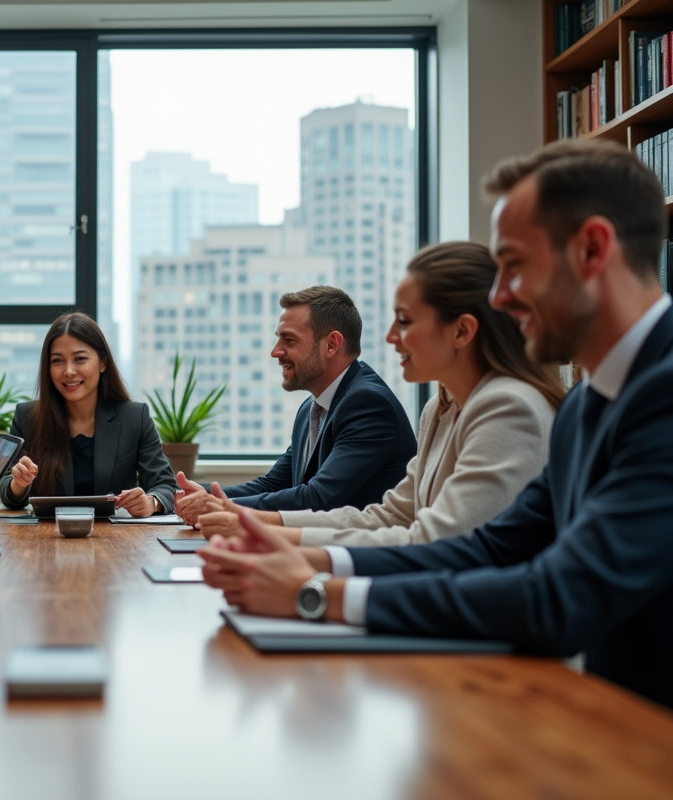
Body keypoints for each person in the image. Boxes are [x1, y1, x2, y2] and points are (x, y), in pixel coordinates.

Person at [199, 138, 673, 709]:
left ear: (593, 250)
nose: (500, 297)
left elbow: (558, 595)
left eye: (514, 267)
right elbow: (482, 549)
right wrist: (306, 561)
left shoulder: (656, 397)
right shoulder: (584, 405)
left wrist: (317, 593)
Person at [198, 241, 564, 548]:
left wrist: (275, 538)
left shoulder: (508, 407)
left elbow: (435, 541)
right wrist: (259, 522)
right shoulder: (440, 408)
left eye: (404, 321)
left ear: (462, 331)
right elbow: (390, 516)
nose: (390, 336)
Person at [176, 286, 416, 525]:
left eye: (289, 340)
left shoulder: (368, 404)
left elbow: (318, 498)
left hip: (361, 556)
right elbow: (273, 484)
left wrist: (220, 507)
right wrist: (205, 495)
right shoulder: (311, 409)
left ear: (332, 345)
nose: (275, 351)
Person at [0, 311, 176, 517]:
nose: (69, 371)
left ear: (102, 363)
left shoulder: (135, 418)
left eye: (80, 359)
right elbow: (6, 491)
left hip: (117, 542)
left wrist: (151, 502)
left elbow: (165, 486)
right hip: (47, 539)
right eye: (57, 361)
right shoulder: (27, 417)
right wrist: (19, 483)